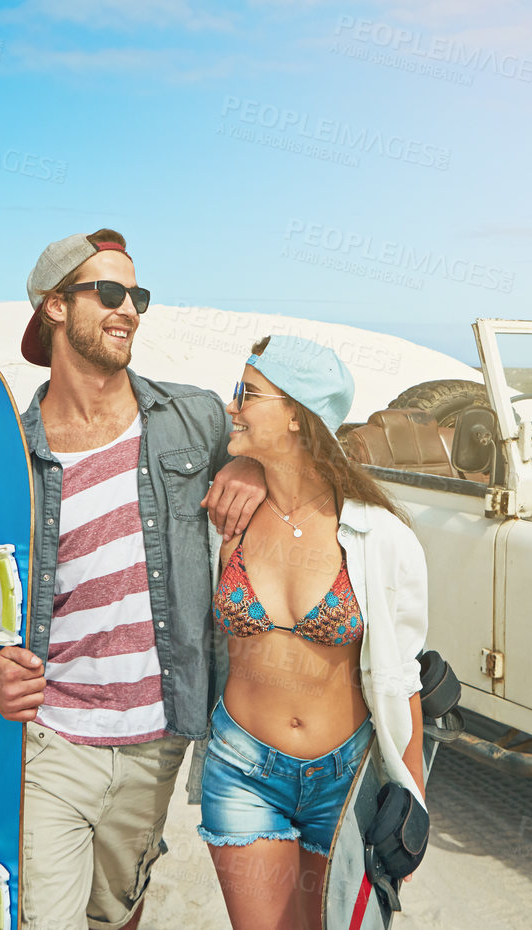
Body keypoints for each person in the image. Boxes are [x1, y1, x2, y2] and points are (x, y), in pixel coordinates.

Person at [0, 228, 266, 930]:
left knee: (115, 913)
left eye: (137, 295)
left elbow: (293, 452)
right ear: (54, 307)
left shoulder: (193, 417)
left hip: (161, 736)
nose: (130, 310)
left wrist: (249, 465)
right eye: (109, 292)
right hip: (53, 741)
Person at [200, 335, 428, 930]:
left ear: (297, 414)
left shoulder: (381, 537)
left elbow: (403, 675)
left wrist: (411, 797)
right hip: (242, 769)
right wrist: (246, 463)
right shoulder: (225, 516)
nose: (233, 407)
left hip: (347, 778)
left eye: (247, 394)